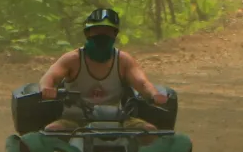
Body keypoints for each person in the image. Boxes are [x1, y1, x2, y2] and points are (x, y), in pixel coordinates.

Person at [36, 7, 171, 122]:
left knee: (150, 131)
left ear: (114, 34)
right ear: (87, 33)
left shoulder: (123, 60)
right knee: (52, 131)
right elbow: (50, 77)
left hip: (118, 120)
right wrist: (46, 88)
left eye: (107, 31)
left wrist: (154, 94)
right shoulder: (72, 59)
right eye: (97, 30)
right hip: (74, 121)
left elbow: (142, 83)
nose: (102, 35)